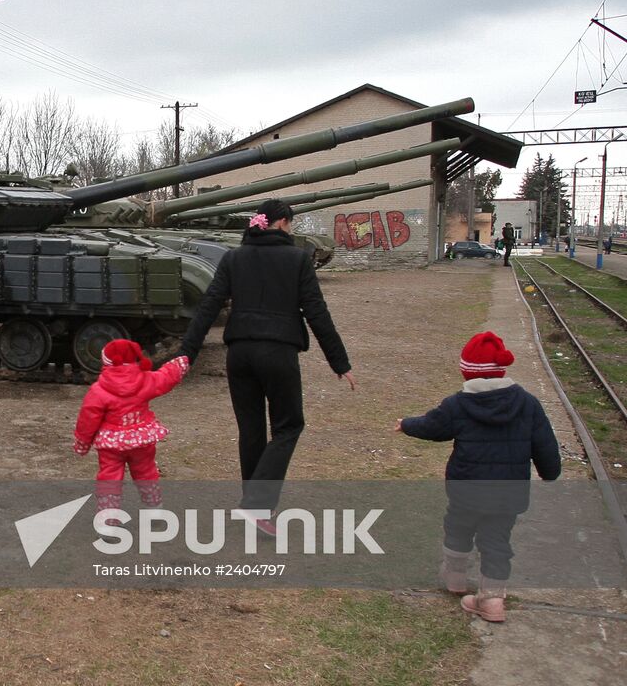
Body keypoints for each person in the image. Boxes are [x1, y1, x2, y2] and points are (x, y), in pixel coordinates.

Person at [179, 198, 355, 536]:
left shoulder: (234, 258)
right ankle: (256, 505)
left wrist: (188, 352)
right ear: (283, 223)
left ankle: (257, 512)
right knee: (288, 427)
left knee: (252, 431)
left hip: (240, 354)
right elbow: (316, 313)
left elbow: (208, 306)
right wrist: (340, 362)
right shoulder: (297, 260)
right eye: (291, 223)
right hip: (278, 354)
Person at [396, 331, 560, 623]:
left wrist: (406, 425)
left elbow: (432, 426)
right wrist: (550, 472)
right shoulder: (528, 403)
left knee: (457, 528)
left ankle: (455, 577)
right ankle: (492, 599)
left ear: (467, 371)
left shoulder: (457, 405)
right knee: (497, 541)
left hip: (466, 489)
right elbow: (544, 444)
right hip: (508, 494)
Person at [73, 339, 189, 514]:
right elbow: (165, 378)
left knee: (109, 479)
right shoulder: (146, 379)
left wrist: (83, 443)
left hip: (111, 444)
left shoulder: (99, 390)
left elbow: (88, 418)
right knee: (146, 472)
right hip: (141, 440)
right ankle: (154, 509)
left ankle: (108, 520)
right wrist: (179, 364)